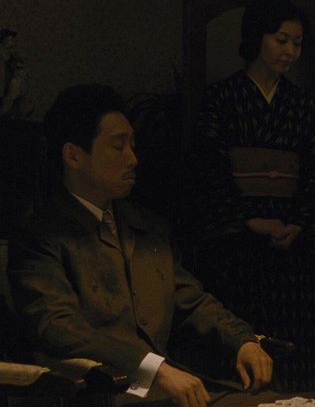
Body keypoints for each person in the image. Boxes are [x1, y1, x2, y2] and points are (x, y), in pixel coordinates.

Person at [7, 84, 275, 407]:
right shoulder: (41, 235)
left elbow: (190, 300)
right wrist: (152, 367)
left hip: (169, 393)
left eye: (132, 145)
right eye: (118, 146)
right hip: (100, 395)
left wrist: (242, 341)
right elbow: (57, 327)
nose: (132, 159)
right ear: (73, 155)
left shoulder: (146, 225)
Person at [183, 0, 315, 393]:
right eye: (281, 40)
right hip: (238, 241)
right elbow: (208, 167)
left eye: (297, 43)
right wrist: (249, 219)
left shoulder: (301, 104)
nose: (290, 51)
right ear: (257, 38)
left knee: (294, 331)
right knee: (241, 326)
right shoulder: (222, 97)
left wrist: (299, 222)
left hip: (290, 240)